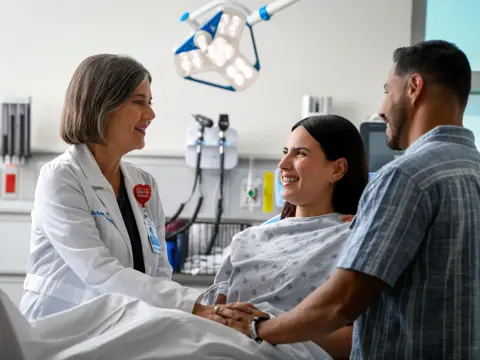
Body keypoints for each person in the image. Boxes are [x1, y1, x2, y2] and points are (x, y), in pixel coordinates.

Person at [218, 40, 480, 359]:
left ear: (414, 87)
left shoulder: (405, 177)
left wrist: (259, 329)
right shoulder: (471, 170)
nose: (382, 109)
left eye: (387, 90)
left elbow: (343, 302)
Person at [19, 54, 216, 321]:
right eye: (138, 102)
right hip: (59, 328)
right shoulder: (60, 179)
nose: (151, 115)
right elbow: (100, 272)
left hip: (122, 324)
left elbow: (158, 271)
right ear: (102, 106)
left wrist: (176, 315)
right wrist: (194, 306)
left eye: (149, 103)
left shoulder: (144, 184)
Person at [202, 114, 368, 359]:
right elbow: (211, 315)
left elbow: (361, 339)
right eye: (285, 151)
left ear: (338, 168)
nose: (282, 163)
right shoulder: (247, 240)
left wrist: (266, 330)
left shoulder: (356, 237)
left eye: (300, 153)